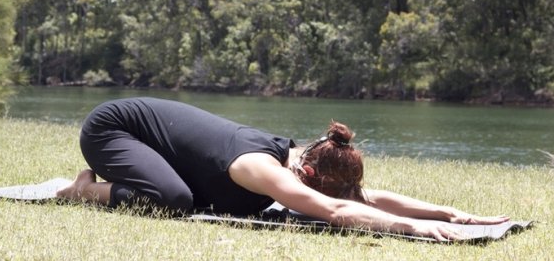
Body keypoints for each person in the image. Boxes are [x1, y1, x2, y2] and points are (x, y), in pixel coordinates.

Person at [57, 97, 509, 241]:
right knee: (173, 202)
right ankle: (83, 190)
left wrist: (452, 215)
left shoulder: (303, 158)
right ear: (310, 175)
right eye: (327, 190)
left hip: (156, 141)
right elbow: (335, 212)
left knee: (180, 194)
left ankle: (131, 178)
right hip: (112, 129)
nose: (334, 195)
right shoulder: (262, 168)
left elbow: (362, 200)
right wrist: (414, 232)